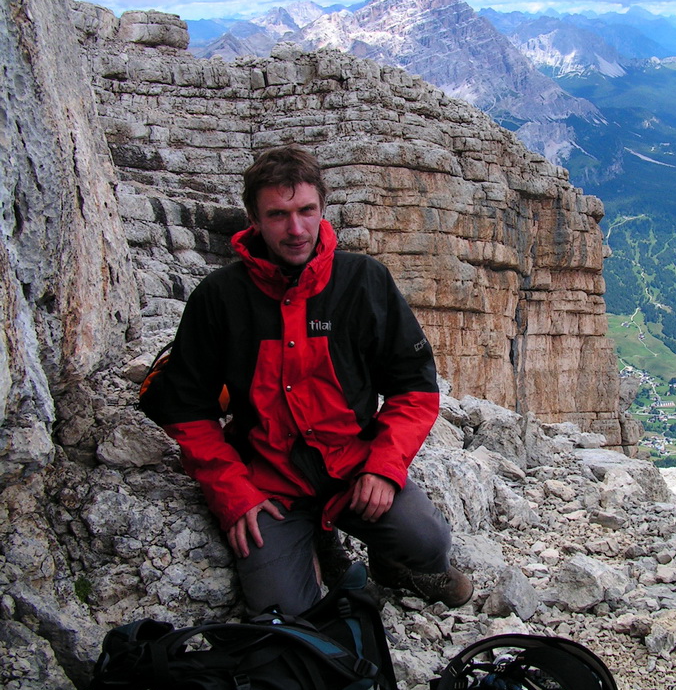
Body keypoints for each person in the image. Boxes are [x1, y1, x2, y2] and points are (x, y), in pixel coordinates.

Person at [150, 146, 473, 615]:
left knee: (427, 541)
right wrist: (233, 495)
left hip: (352, 467)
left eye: (305, 211)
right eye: (278, 215)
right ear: (253, 218)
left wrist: (383, 466)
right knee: (281, 609)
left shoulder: (363, 282)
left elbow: (414, 387)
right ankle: (321, 548)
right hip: (270, 483)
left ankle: (394, 566)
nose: (295, 229)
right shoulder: (220, 298)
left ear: (322, 208)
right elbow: (186, 409)